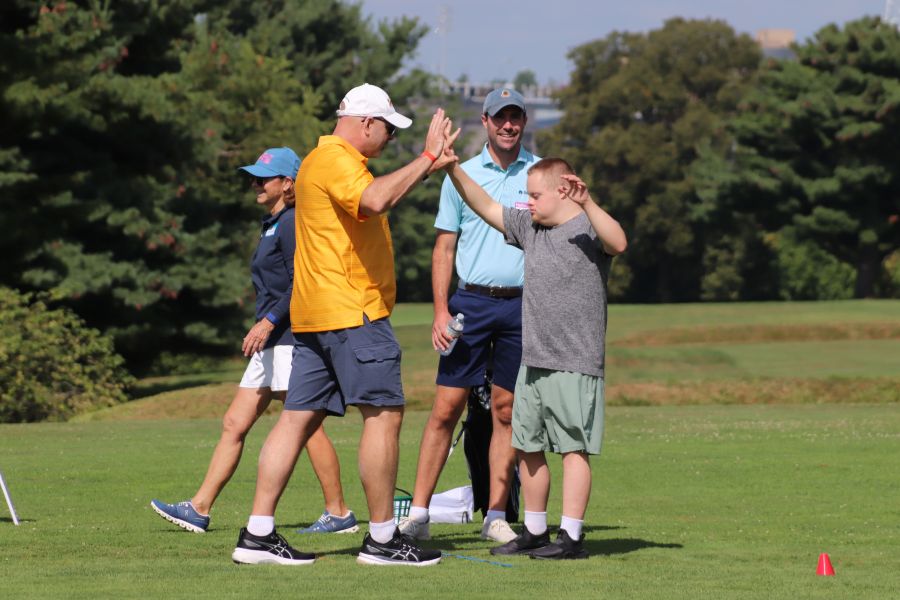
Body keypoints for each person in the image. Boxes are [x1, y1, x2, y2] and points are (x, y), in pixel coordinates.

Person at [230, 84, 459, 567]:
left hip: (315, 316)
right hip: (353, 312)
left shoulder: (320, 160)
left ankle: (257, 534)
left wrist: (425, 167)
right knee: (383, 414)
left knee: (296, 418)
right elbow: (374, 200)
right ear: (366, 123)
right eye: (387, 131)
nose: (388, 141)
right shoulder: (337, 160)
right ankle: (382, 540)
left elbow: (371, 198)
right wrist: (426, 157)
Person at [151, 148, 357, 535]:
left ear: (288, 183)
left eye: (264, 178)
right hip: (269, 341)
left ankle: (339, 512)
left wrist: (269, 321)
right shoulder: (272, 224)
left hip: (290, 339)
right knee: (234, 423)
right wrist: (264, 326)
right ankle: (199, 508)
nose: (255, 184)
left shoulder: (293, 222)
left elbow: (303, 282)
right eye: (254, 178)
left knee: (306, 427)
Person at [444, 157, 627, 559]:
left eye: (535, 195)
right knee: (528, 446)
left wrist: (588, 202)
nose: (528, 202)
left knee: (573, 449)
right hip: (533, 360)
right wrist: (452, 168)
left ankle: (572, 537)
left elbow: (618, 243)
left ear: (563, 190)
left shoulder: (588, 227)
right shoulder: (530, 227)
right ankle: (535, 530)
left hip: (575, 361)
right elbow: (484, 205)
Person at [399, 88, 538, 544]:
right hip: (470, 304)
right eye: (500, 117)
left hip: (521, 305)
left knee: (506, 410)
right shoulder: (460, 174)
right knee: (446, 408)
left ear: (524, 121)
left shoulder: (539, 174)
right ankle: (419, 513)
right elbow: (445, 247)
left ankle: (495, 514)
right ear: (485, 121)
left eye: (515, 117)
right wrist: (441, 310)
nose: (508, 125)